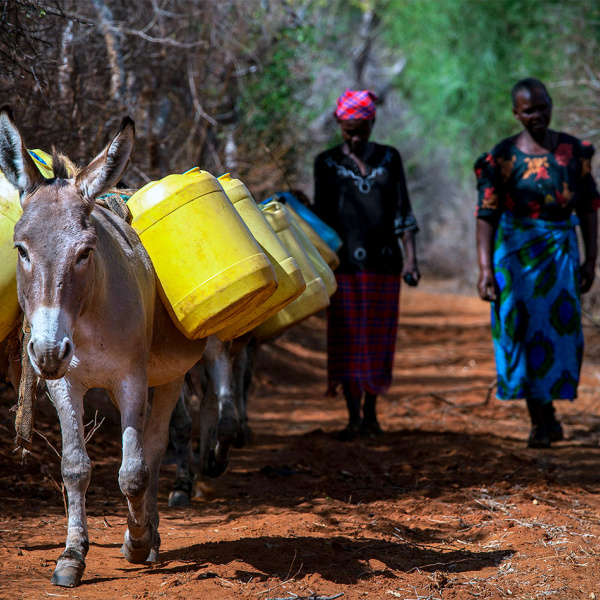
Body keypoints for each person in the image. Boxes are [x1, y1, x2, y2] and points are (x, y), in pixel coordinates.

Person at [475, 77, 600, 448]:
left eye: (543, 106)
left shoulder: (573, 152)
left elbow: (590, 207)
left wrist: (591, 259)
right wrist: (484, 270)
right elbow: (486, 214)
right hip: (513, 255)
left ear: (551, 105)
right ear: (516, 113)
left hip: (561, 253)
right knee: (518, 329)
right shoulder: (502, 157)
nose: (538, 114)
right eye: (529, 110)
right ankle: (538, 418)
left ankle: (548, 412)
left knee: (558, 332)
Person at [312, 89, 420, 440]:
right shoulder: (325, 164)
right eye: (349, 130)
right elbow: (323, 219)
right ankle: (353, 417)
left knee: (377, 339)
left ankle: (371, 415)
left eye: (362, 130)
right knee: (346, 338)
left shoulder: (390, 159)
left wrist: (412, 260)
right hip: (342, 267)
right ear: (339, 124)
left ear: (373, 122)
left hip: (385, 264)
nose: (356, 138)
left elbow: (403, 212)